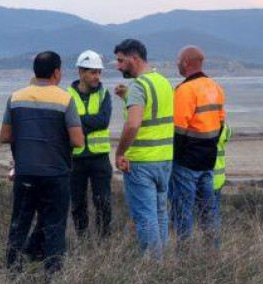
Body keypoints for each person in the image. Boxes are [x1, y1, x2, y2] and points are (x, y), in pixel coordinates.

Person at [1, 51, 84, 276]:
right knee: (55, 227)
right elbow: (77, 140)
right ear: (56, 72)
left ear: (35, 71)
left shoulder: (15, 98)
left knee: (19, 224)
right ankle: (52, 277)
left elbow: (5, 136)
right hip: (55, 174)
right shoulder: (65, 99)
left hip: (25, 172)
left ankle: (12, 275)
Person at [113, 39, 174, 260]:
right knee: (160, 214)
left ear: (134, 58)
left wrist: (120, 153)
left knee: (145, 217)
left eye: (121, 61)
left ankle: (154, 267)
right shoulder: (163, 82)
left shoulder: (139, 86)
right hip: (164, 160)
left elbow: (133, 124)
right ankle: (164, 264)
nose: (118, 66)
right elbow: (152, 113)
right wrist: (126, 98)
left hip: (141, 162)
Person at [169, 45, 226, 249]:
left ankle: (185, 256)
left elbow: (178, 131)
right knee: (209, 211)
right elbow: (220, 125)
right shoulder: (215, 88)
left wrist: (173, 160)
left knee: (183, 212)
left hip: (186, 163)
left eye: (178, 60)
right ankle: (214, 251)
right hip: (208, 161)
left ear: (185, 62)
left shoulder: (185, 90)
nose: (177, 63)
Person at [68, 50, 113, 239]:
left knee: (103, 201)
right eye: (93, 72)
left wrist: (78, 122)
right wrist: (86, 122)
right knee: (77, 203)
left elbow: (103, 121)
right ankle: (82, 239)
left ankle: (105, 240)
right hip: (75, 158)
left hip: (99, 158)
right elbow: (66, 124)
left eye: (99, 72)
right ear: (81, 72)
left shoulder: (104, 94)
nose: (97, 76)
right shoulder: (68, 95)